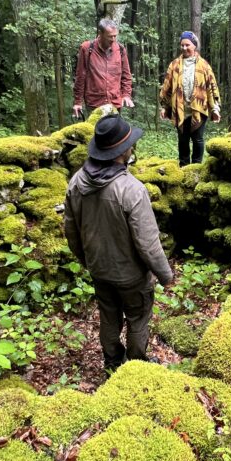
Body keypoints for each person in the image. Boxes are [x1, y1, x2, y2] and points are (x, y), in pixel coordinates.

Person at [63, 114, 174, 372]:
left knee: (109, 315)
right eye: (130, 144)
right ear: (122, 151)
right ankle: (135, 366)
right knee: (138, 317)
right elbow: (148, 244)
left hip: (99, 269)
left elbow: (71, 231)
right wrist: (166, 275)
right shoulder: (132, 190)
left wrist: (87, 261)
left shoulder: (76, 182)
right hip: (131, 275)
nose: (132, 147)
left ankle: (112, 361)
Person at [158, 31, 221, 166]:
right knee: (183, 139)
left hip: (199, 108)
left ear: (194, 46)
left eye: (187, 45)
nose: (184, 48)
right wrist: (164, 107)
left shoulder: (204, 65)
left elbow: (211, 87)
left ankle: (197, 167)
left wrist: (215, 109)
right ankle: (184, 166)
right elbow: (167, 88)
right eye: (182, 45)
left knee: (198, 139)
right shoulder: (174, 65)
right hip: (180, 109)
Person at [73, 19, 134, 119]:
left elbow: (126, 76)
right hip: (94, 104)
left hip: (114, 104)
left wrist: (126, 95)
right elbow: (80, 76)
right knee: (95, 129)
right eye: (110, 36)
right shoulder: (87, 48)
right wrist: (77, 102)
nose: (113, 39)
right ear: (100, 33)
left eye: (115, 36)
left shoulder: (120, 50)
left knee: (114, 129)